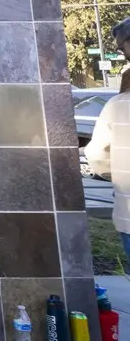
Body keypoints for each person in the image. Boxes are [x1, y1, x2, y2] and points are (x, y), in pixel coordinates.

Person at [87, 17, 130, 263]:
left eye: (122, 48)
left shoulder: (118, 106)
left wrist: (121, 176)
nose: (122, 55)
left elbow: (98, 157)